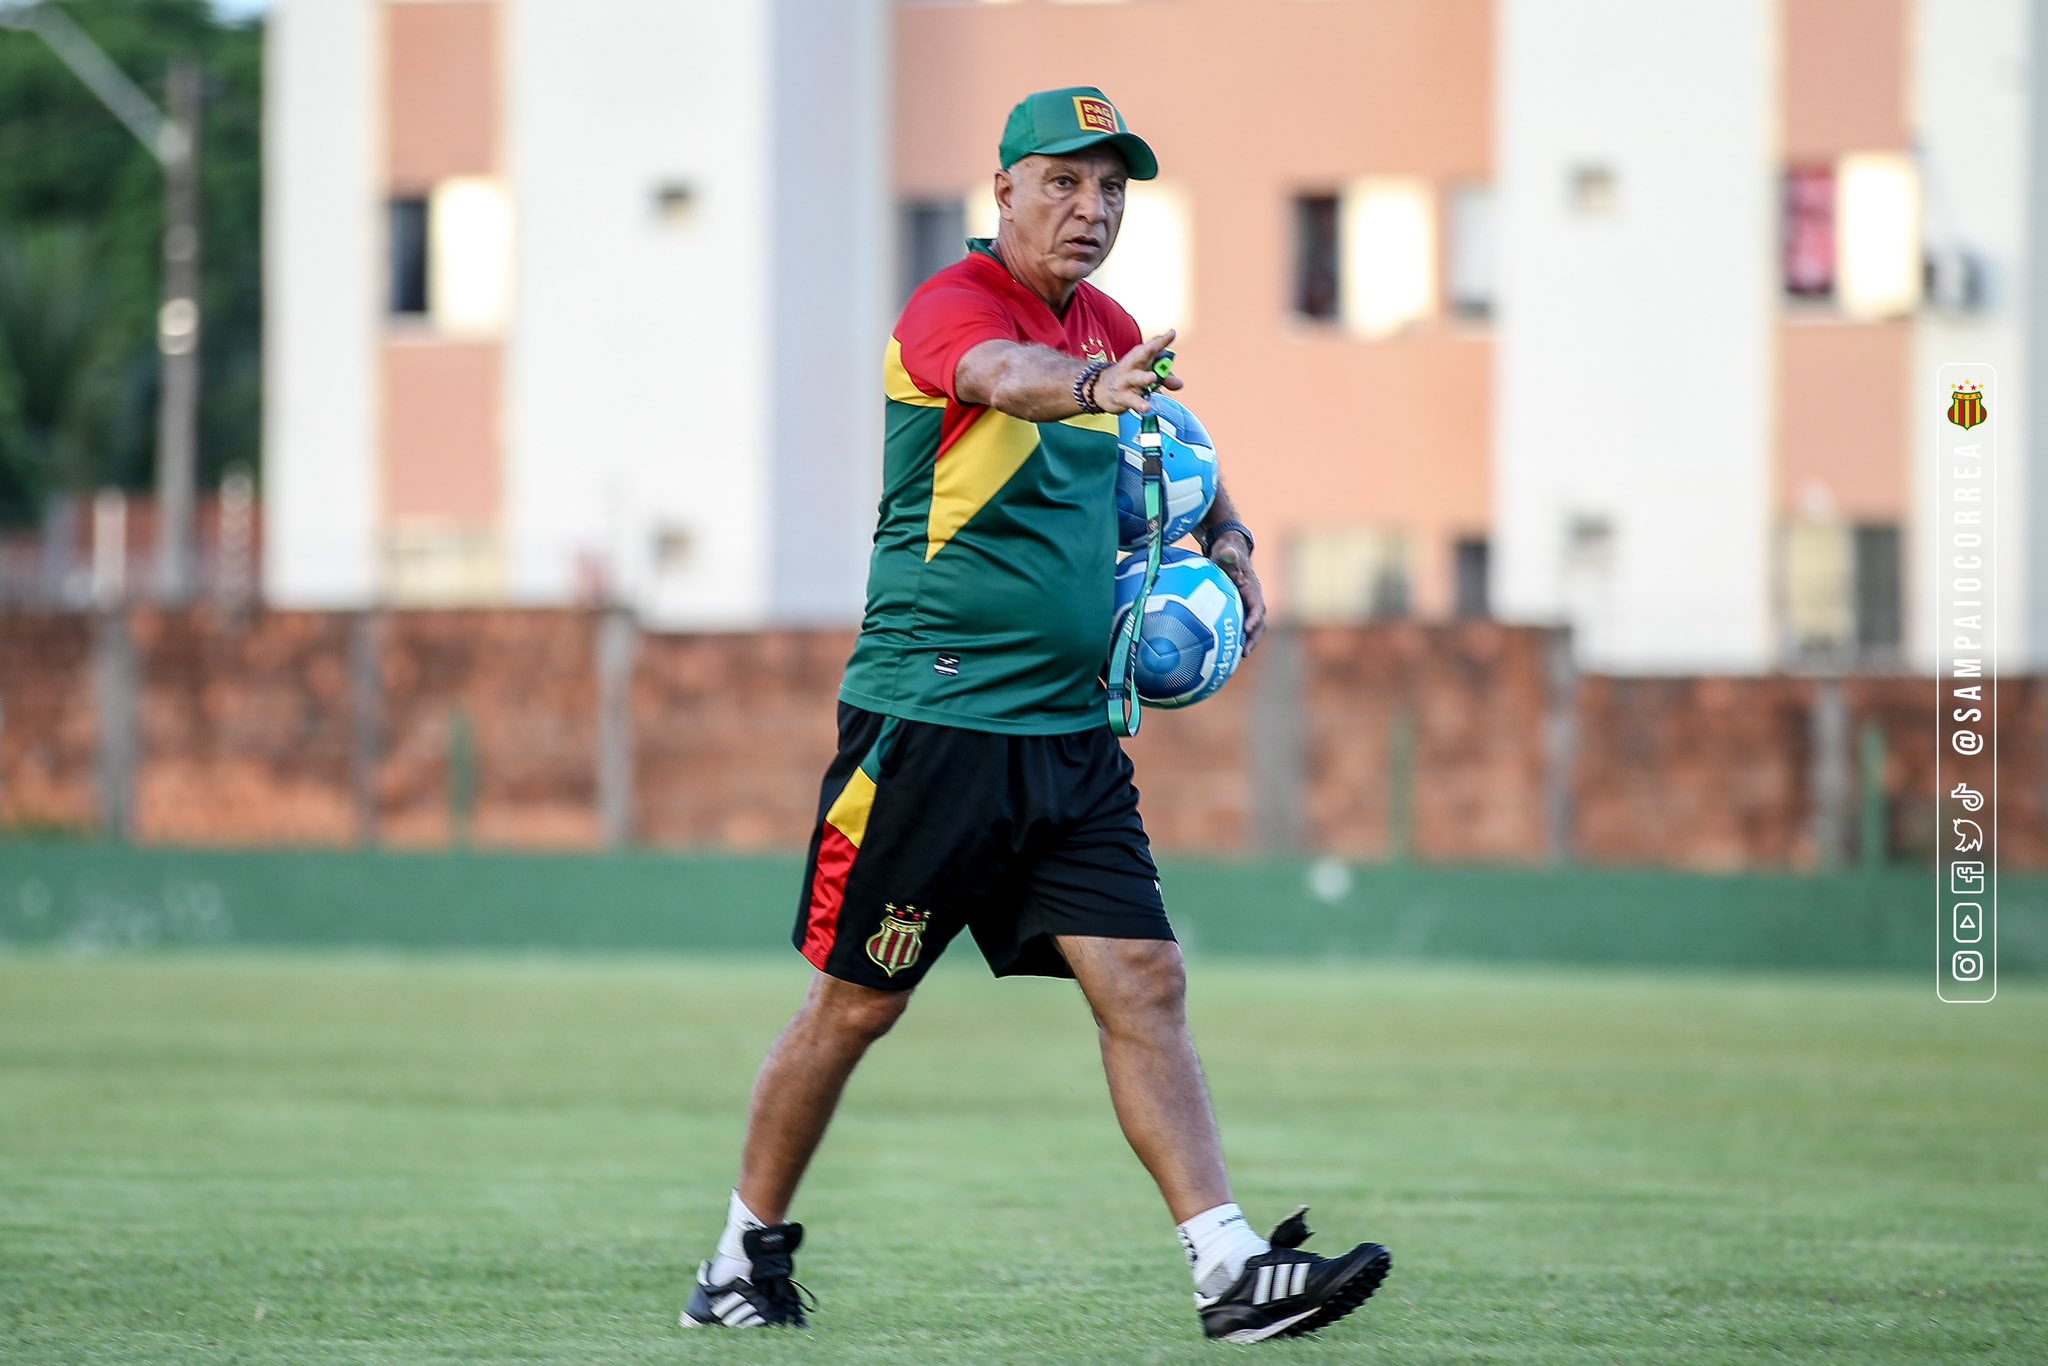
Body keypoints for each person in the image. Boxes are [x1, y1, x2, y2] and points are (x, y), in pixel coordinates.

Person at [680, 86, 1390, 1344]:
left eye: (1110, 188)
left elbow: (1183, 464)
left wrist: (1225, 536)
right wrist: (1088, 388)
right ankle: (740, 1257)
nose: (1091, 207)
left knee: (1146, 981)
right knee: (858, 1002)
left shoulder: (1115, 327)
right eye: (1062, 181)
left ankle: (1228, 1269)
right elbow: (1005, 380)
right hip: (932, 729)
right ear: (1000, 190)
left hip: (1071, 735)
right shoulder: (951, 314)